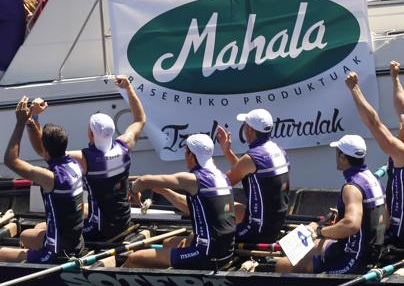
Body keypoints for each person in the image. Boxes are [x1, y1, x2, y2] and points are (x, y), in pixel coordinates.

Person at [25, 76, 146, 242]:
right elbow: (140, 119)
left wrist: (33, 117)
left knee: (39, 228)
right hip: (123, 221)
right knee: (83, 208)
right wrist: (128, 88)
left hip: (100, 230)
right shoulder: (125, 145)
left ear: (90, 133)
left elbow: (43, 151)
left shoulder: (85, 159)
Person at [0, 96, 85, 262]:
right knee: (27, 235)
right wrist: (33, 118)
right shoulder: (75, 163)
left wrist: (20, 123)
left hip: (56, 254)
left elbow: (10, 160)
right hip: (75, 243)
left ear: (47, 149)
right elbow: (41, 148)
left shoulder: (50, 177)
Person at [276, 134, 386, 274]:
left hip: (352, 260)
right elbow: (384, 220)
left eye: (337, 153)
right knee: (309, 247)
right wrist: (341, 217)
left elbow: (351, 225)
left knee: (282, 264)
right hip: (366, 252)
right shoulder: (373, 179)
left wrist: (320, 231)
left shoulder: (351, 188)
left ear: (343, 158)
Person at [124, 134, 235, 269]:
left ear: (190, 155)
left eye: (185, 151)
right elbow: (190, 208)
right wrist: (164, 191)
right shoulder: (222, 177)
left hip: (205, 254)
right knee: (168, 243)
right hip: (226, 251)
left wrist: (133, 191)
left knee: (134, 259)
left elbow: (143, 180)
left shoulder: (193, 179)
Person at [346, 68, 404, 248]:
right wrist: (395, 79)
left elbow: (373, 124)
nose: (400, 122)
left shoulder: (400, 152)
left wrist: (354, 89)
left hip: (400, 236)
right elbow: (401, 106)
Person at [214, 108, 289, 244]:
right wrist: (227, 151)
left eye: (244, 126)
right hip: (275, 225)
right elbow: (246, 170)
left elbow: (219, 186)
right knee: (235, 208)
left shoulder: (251, 158)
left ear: (249, 130)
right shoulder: (280, 151)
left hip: (256, 230)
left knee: (215, 221)